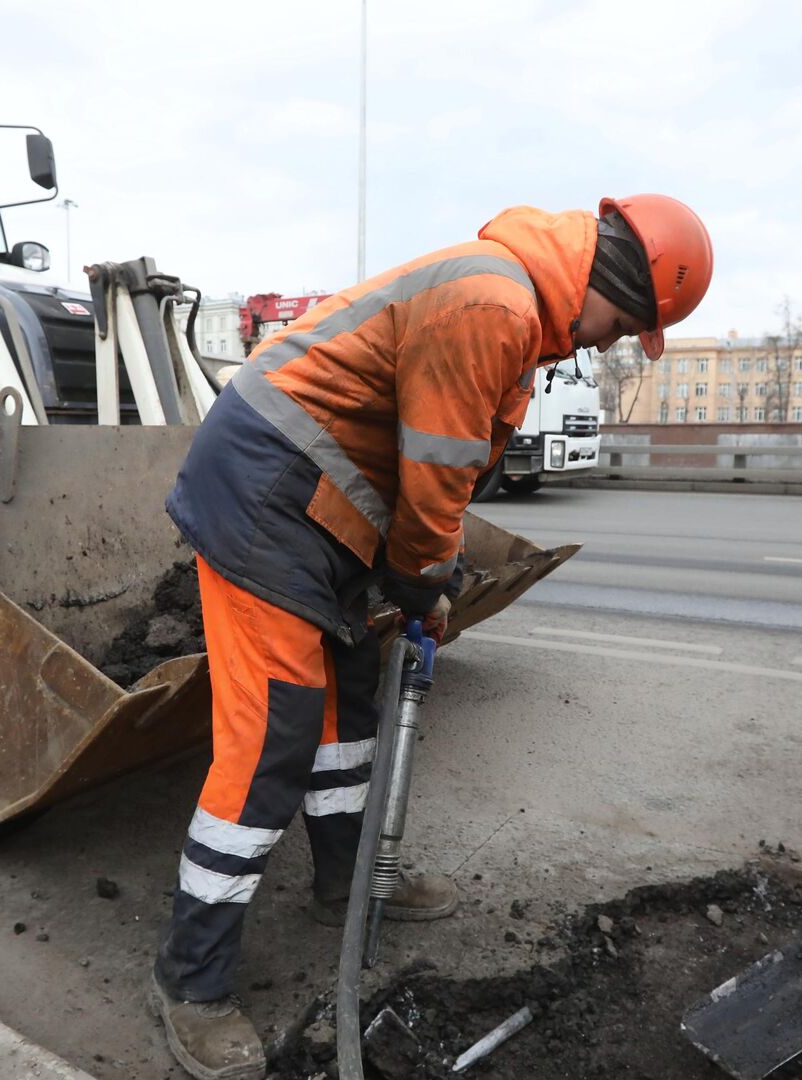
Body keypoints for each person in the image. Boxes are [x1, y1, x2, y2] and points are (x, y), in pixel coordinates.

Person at [150, 196, 713, 1079]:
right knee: (272, 739)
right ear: (610, 285)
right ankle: (191, 981)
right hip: (264, 495)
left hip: (323, 503)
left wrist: (430, 577)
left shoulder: (518, 310)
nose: (608, 344)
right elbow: (440, 471)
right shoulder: (495, 304)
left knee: (349, 714)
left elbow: (436, 473)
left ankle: (344, 887)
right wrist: (424, 583)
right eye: (624, 326)